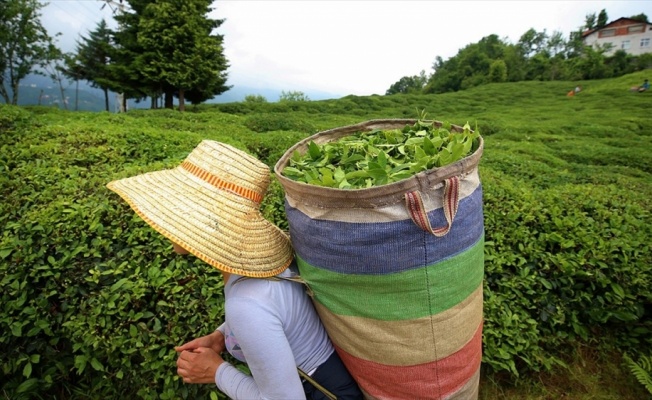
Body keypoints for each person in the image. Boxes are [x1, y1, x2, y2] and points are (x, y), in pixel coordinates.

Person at [106, 140, 363, 400]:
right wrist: (221, 337)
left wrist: (216, 371)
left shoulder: (246, 305)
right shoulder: (263, 273)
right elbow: (277, 314)